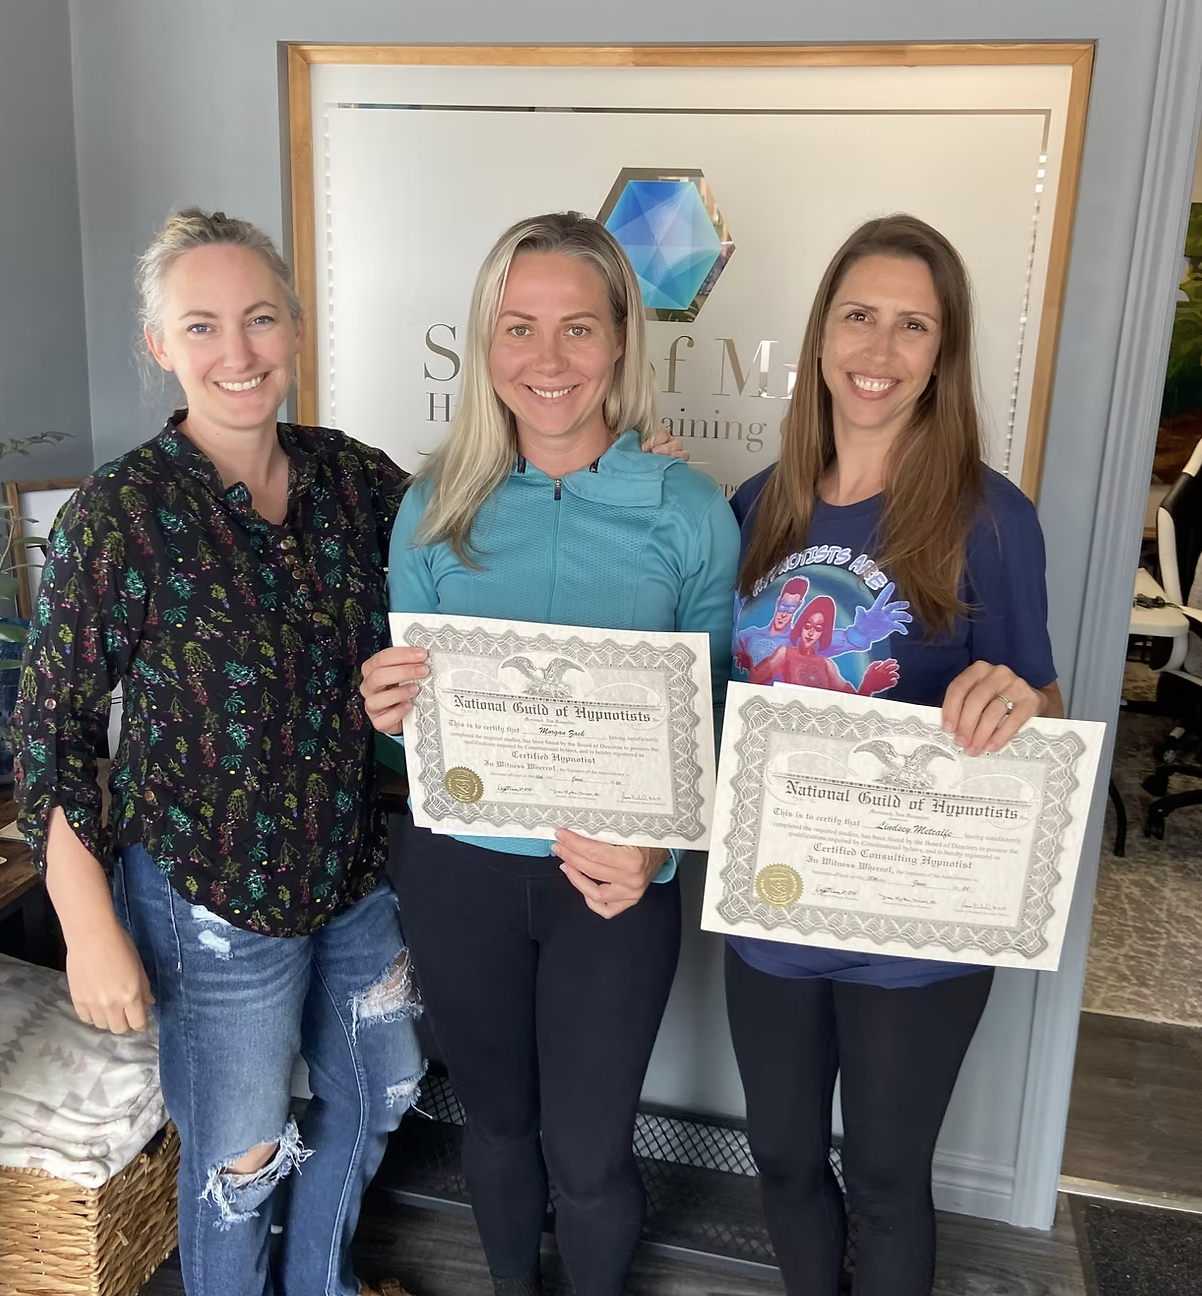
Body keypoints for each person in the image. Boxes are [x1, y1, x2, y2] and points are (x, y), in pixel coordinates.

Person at [14, 208, 423, 1296]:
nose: (236, 351)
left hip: (348, 871)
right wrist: (86, 923)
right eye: (201, 326)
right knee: (238, 1161)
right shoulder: (122, 513)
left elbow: (473, 544)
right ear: (161, 344)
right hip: (208, 899)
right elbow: (51, 730)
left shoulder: (354, 480)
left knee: (379, 1091)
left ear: (296, 326)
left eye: (259, 319)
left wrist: (618, 467)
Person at [358, 211, 740, 1296]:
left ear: (620, 339)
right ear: (486, 342)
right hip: (456, 874)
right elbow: (411, 738)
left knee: (589, 1155)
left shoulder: (690, 511)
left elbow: (716, 723)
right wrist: (388, 715)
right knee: (495, 1124)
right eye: (518, 327)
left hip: (612, 883)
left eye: (578, 327)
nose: (548, 358)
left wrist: (661, 852)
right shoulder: (432, 506)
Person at [725, 213, 1063, 1296]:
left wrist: (1017, 702)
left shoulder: (989, 517)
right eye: (858, 316)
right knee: (781, 1157)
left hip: (915, 922)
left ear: (943, 350)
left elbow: (1041, 702)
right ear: (822, 333)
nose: (879, 350)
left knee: (882, 1175)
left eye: (912, 325)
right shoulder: (754, 506)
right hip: (774, 902)